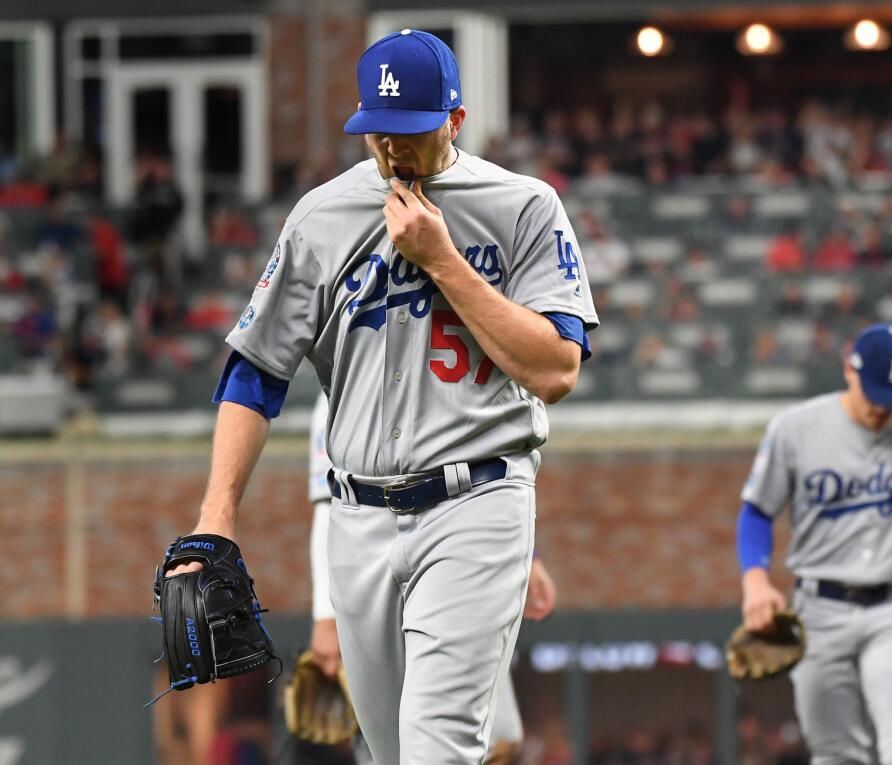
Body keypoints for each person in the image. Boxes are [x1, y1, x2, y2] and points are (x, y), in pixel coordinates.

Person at [163, 29, 597, 764]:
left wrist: (443, 260)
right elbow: (256, 372)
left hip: (476, 502)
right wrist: (217, 515)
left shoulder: (523, 206)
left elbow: (556, 368)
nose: (393, 150)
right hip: (356, 519)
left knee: (439, 746)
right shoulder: (322, 216)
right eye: (378, 132)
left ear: (455, 121)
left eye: (412, 132)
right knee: (390, 752)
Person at [306, 395, 558, 764]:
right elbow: (331, 500)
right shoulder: (348, 376)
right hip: (377, 562)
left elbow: (488, 467)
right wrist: (324, 615)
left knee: (498, 739)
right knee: (392, 743)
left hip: (459, 559)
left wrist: (529, 556)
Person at [737, 324, 892, 765]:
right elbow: (756, 512)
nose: (884, 410)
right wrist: (755, 580)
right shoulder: (797, 428)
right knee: (835, 756)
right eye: (877, 395)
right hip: (819, 609)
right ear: (850, 369)